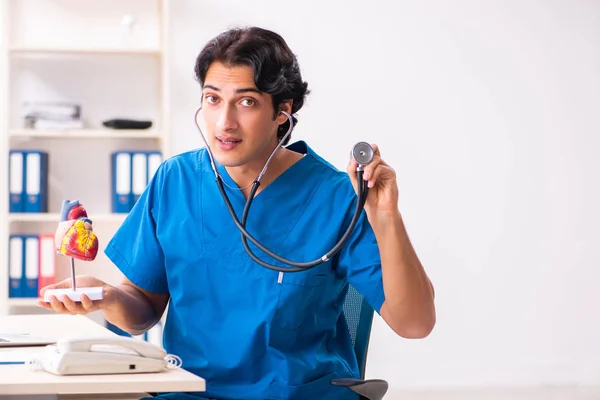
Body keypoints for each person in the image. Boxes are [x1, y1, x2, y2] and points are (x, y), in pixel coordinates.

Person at [38, 26, 436, 400]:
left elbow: (415, 324)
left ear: (283, 111)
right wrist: (107, 297)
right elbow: (141, 313)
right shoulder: (175, 180)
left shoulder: (335, 196)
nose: (224, 122)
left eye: (246, 102)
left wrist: (387, 218)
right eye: (213, 99)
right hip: (191, 393)